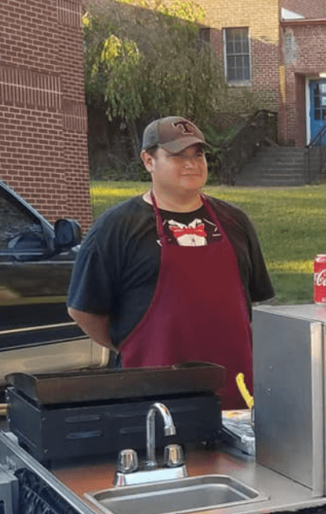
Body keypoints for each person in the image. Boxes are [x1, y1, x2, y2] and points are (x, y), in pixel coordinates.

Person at [67, 116, 274, 409]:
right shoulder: (116, 227)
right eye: (178, 155)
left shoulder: (235, 221)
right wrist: (131, 345)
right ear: (148, 160)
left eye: (198, 154)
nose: (191, 164)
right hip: (152, 398)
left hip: (237, 394)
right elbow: (83, 310)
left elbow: (258, 305)